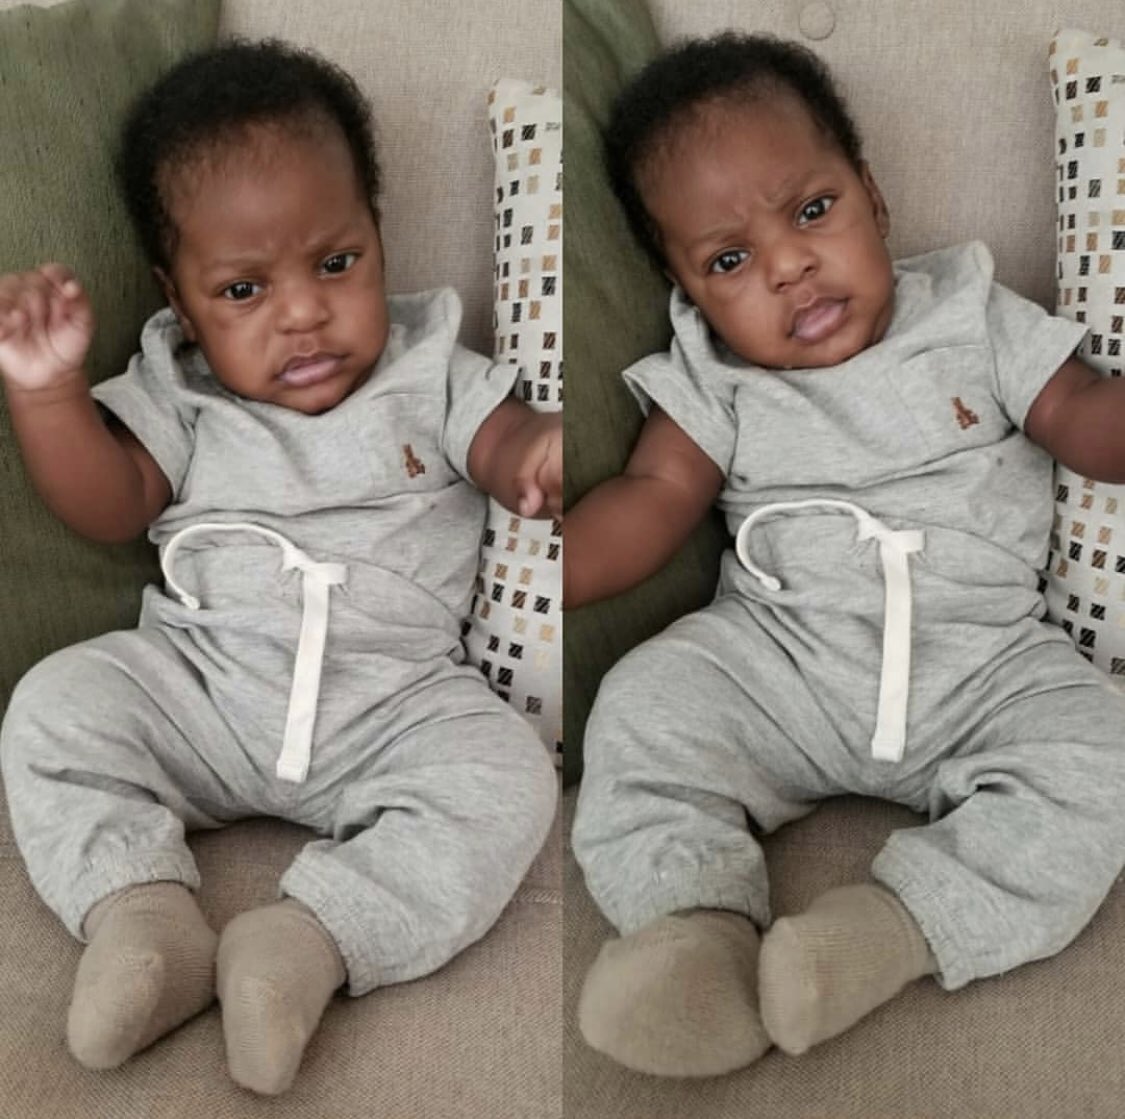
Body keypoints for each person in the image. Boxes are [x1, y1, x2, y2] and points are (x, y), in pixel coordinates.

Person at [0, 40, 559, 1096]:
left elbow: (502, 441)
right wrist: (45, 393)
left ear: (378, 238)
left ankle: (309, 940)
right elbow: (107, 502)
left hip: (394, 704)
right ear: (181, 300)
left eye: (336, 264)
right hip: (200, 693)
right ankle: (141, 917)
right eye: (245, 288)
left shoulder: (430, 367)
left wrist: (536, 457)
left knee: (508, 777)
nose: (301, 313)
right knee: (54, 707)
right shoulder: (177, 388)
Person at [565, 31, 1125, 1078]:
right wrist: (543, 566)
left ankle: (885, 933)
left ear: (872, 195)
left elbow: (1082, 417)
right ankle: (693, 933)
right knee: (644, 707)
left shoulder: (969, 313)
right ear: (686, 286)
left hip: (984, 663)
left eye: (813, 210)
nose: (787, 266)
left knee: (1103, 755)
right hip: (779, 664)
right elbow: (653, 497)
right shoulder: (714, 374)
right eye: (729, 261)